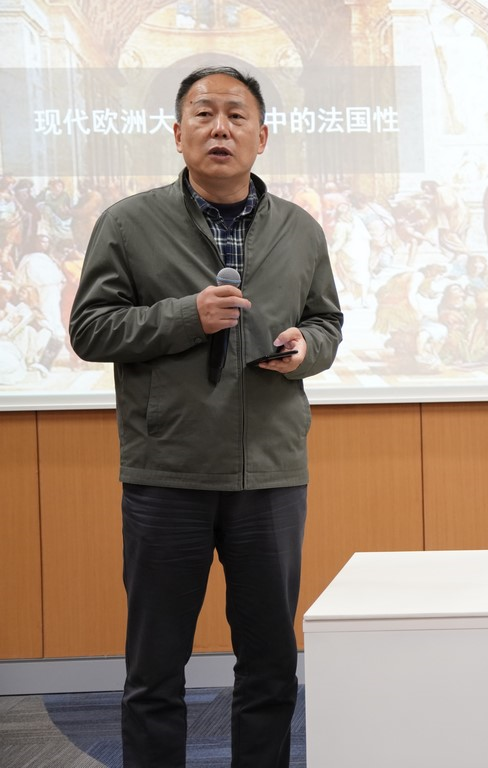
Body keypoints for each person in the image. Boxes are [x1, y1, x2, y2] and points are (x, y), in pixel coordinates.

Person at [68, 65, 343, 768]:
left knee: (270, 666)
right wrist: (185, 316)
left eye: (236, 115)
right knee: (155, 669)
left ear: (262, 136)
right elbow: (90, 330)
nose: (220, 128)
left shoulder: (300, 228)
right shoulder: (128, 223)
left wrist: (305, 349)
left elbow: (327, 323)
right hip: (169, 472)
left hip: (270, 473)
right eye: (203, 113)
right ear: (177, 132)